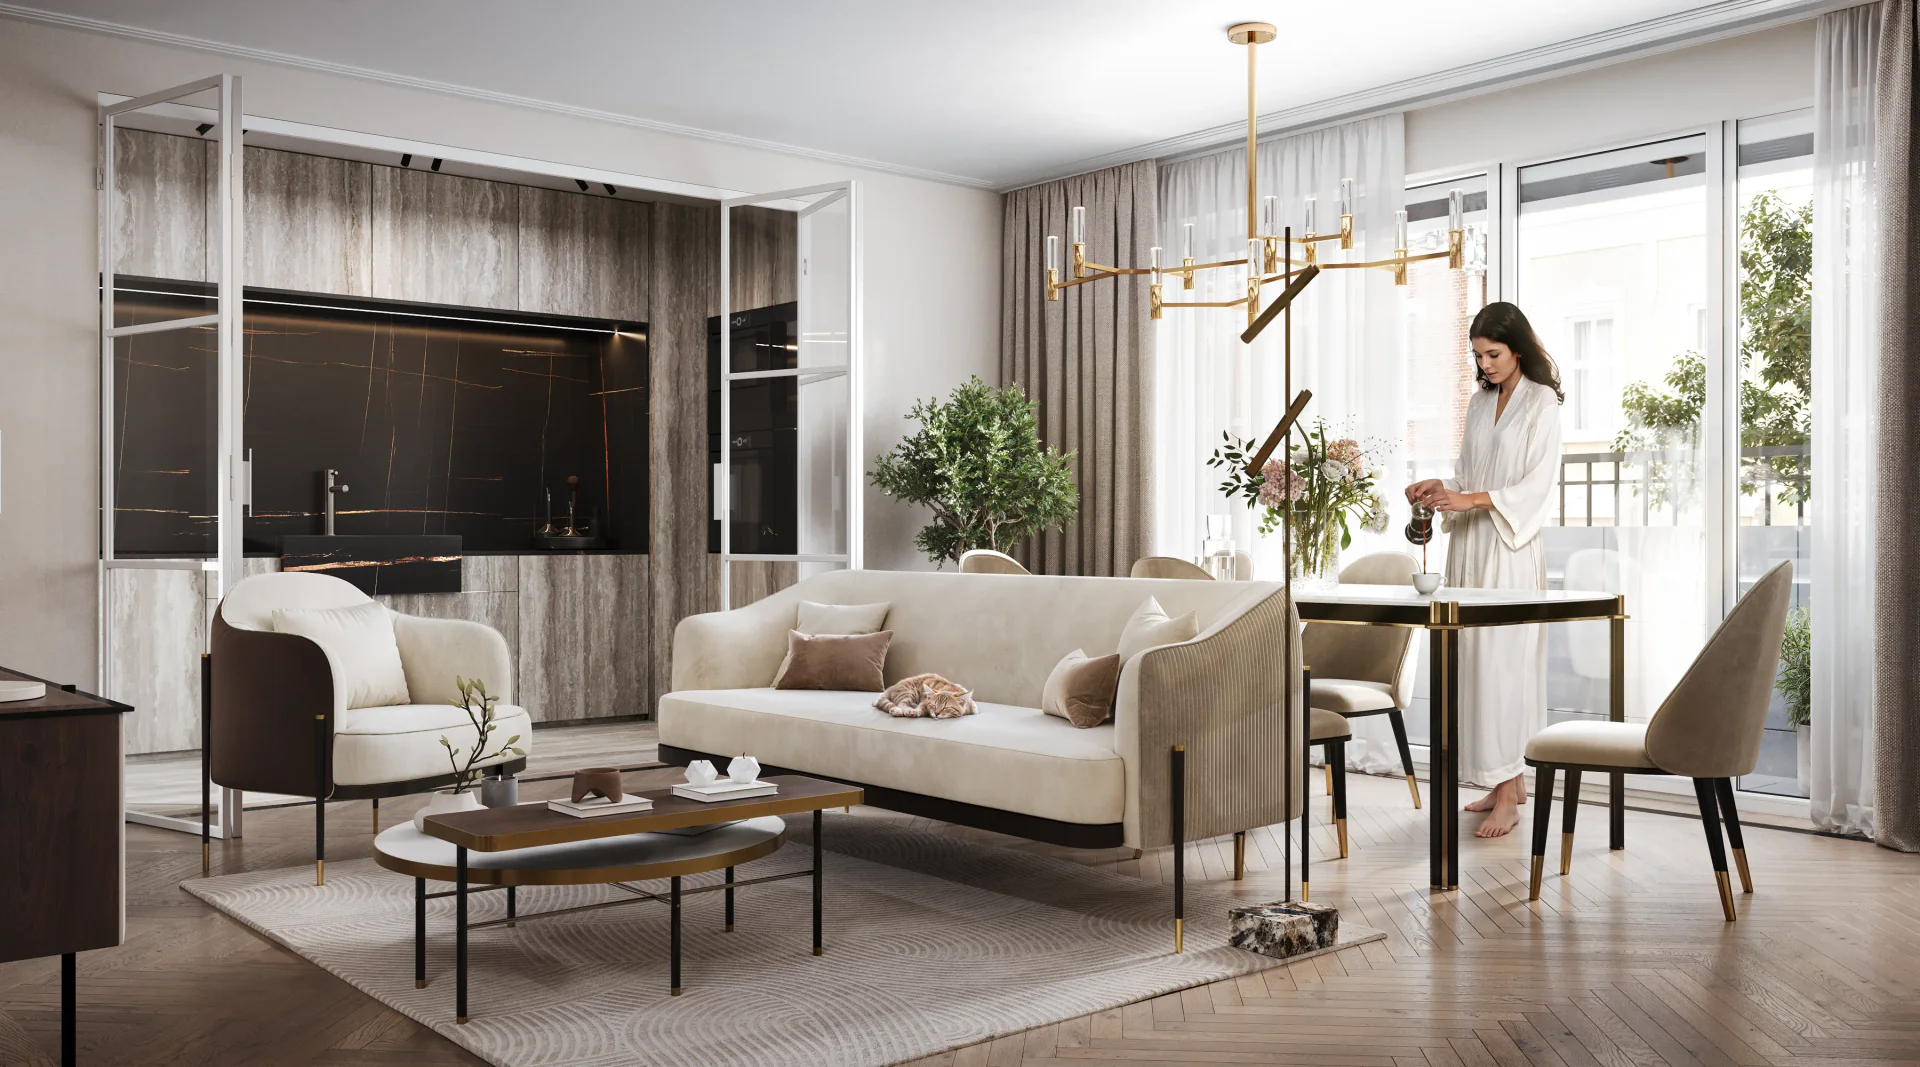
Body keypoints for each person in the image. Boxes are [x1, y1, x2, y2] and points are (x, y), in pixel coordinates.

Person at [1406, 302, 1564, 837]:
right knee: (1473, 665)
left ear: (1518, 348)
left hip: (1509, 550)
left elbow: (1537, 485)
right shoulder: (1479, 403)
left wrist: (1469, 499)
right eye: (1478, 356)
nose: (1486, 365)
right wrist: (1438, 489)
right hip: (1470, 549)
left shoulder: (1542, 403)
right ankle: (1506, 784)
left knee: (1505, 668)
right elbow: (1469, 473)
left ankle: (1510, 794)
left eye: (1493, 354)